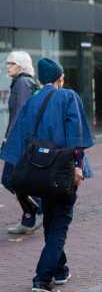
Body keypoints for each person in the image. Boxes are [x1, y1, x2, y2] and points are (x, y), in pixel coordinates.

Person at [1, 58, 93, 292]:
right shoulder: (67, 96)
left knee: (52, 220)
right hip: (61, 171)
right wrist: (78, 166)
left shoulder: (33, 100)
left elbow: (18, 137)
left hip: (37, 172)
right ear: (60, 78)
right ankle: (42, 278)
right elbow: (76, 134)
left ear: (41, 80)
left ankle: (60, 270)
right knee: (59, 223)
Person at [2, 51, 43, 235]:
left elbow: (20, 115)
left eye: (10, 63)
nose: (7, 66)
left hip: (20, 142)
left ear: (20, 65)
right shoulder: (22, 82)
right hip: (21, 140)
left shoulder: (22, 83)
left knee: (10, 179)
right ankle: (28, 219)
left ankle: (42, 206)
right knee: (15, 180)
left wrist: (8, 140)